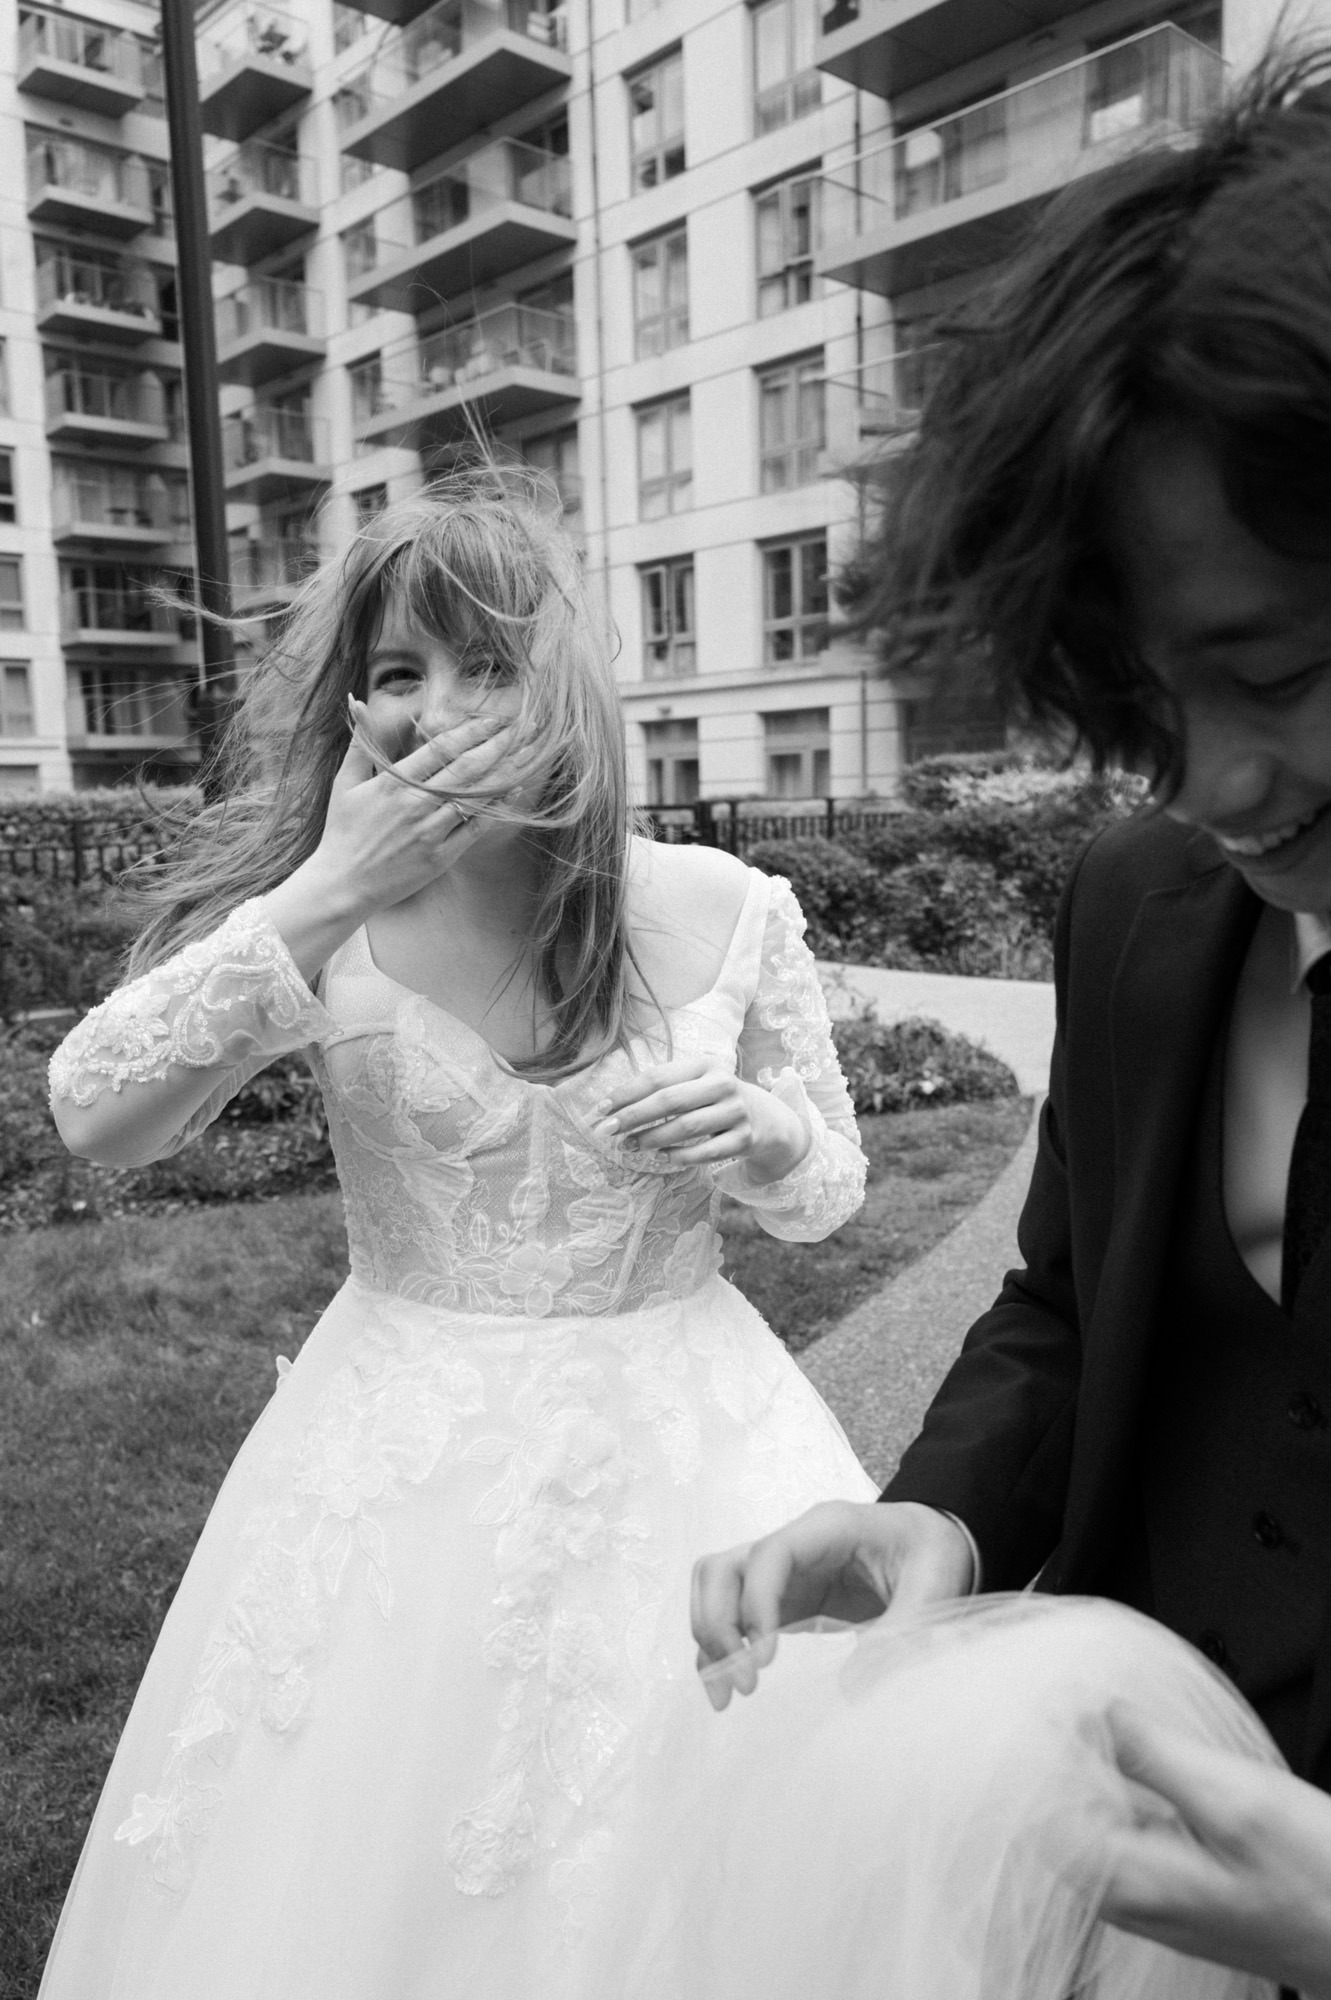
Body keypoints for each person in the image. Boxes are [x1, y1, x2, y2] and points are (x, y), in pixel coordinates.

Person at [37, 480, 875, 1999]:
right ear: (358, 708)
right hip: (391, 1472)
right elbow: (95, 1114)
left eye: (489, 662)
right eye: (403, 672)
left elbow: (828, 1200)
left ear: (568, 676)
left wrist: (772, 1139)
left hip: (687, 1448)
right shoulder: (323, 925)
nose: (444, 708)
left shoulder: (732, 905)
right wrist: (332, 884)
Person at [686, 44, 1331, 1997]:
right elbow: (1062, 1295)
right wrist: (935, 1515)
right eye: (1144, 704)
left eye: (1277, 667)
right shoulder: (1138, 905)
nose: (1212, 783)